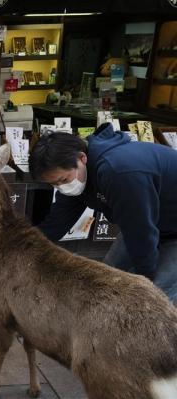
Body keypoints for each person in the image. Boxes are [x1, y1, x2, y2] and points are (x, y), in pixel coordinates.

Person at [29, 122, 177, 303]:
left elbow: (140, 232)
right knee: (104, 283)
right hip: (149, 222)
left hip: (157, 226)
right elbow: (58, 222)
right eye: (54, 184)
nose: (62, 187)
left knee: (152, 300)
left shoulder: (118, 171)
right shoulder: (77, 176)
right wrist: (26, 246)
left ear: (82, 158)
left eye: (63, 180)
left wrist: (145, 277)